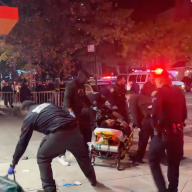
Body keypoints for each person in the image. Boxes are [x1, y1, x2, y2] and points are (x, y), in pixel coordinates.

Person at [8, 101, 97, 192]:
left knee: (43, 157)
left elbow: (23, 142)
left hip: (59, 132)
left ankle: (49, 189)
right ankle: (93, 180)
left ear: (25, 109)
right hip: (74, 129)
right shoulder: (47, 105)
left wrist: (14, 162)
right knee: (82, 157)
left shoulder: (30, 116)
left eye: (22, 112)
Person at [148, 71, 186, 192]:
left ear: (160, 80)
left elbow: (154, 114)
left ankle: (162, 189)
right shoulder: (180, 93)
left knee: (152, 158)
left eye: (155, 81)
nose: (154, 83)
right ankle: (172, 189)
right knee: (174, 163)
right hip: (178, 133)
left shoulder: (160, 93)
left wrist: (156, 129)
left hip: (164, 133)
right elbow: (184, 114)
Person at [60, 69, 93, 166]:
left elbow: (83, 97)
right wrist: (70, 112)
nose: (87, 80)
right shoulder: (72, 84)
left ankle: (81, 152)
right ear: (82, 77)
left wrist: (91, 105)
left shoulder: (81, 85)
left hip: (78, 112)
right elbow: (67, 98)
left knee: (84, 131)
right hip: (69, 113)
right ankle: (61, 155)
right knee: (67, 134)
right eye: (86, 78)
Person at [126, 91, 153, 163]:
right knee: (154, 139)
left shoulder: (133, 98)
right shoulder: (143, 97)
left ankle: (139, 157)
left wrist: (138, 126)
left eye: (127, 98)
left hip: (148, 120)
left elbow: (134, 114)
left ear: (129, 95)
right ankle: (157, 156)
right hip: (154, 118)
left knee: (143, 139)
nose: (127, 100)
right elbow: (140, 113)